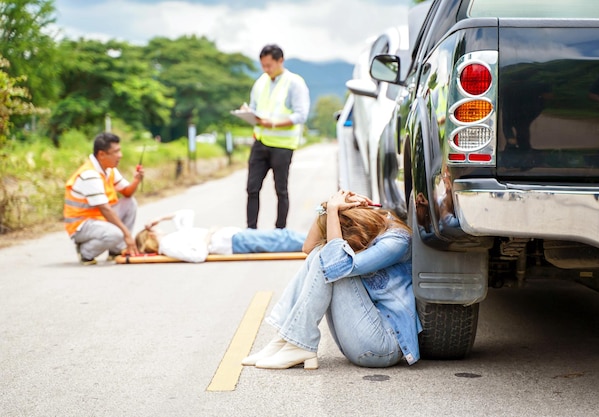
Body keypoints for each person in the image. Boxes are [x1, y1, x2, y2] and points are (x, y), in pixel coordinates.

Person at [242, 190, 422, 370]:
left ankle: (299, 343)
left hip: (383, 346)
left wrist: (334, 215)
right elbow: (308, 247)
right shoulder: (373, 228)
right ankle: (284, 339)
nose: (347, 242)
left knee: (331, 261)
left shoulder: (396, 241)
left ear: (359, 227)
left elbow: (335, 264)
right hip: (364, 336)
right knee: (320, 254)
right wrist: (328, 207)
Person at [245, 44, 310, 229]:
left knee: (280, 190)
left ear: (280, 61)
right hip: (260, 141)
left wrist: (272, 123)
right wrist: (248, 113)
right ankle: (251, 230)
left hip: (282, 145)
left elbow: (300, 115)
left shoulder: (294, 83)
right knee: (252, 188)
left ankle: (280, 229)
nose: (266, 70)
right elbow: (255, 107)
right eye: (263, 66)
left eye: (269, 65)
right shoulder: (260, 82)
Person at [64, 132, 143, 265]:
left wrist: (136, 180)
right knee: (117, 234)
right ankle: (85, 252)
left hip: (99, 220)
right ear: (102, 154)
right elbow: (105, 209)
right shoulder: (89, 174)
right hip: (81, 225)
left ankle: (115, 250)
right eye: (116, 152)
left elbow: (127, 193)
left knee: (130, 203)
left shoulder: (108, 169)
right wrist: (127, 235)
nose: (120, 155)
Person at [135, 209, 307, 263]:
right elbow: (197, 256)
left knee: (284, 237)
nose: (159, 228)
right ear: (150, 235)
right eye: (156, 227)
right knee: (284, 238)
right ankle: (326, 238)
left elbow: (186, 213)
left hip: (233, 236)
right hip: (233, 242)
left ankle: (325, 237)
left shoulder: (172, 238)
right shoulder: (167, 245)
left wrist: (160, 218)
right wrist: (209, 235)